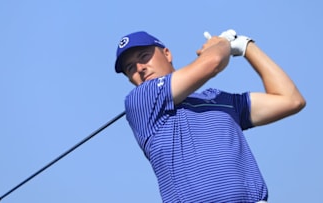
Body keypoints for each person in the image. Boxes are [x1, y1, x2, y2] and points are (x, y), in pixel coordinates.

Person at [114, 30, 305, 203]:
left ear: (167, 54)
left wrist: (246, 46)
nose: (139, 68)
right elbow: (212, 63)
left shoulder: (218, 99)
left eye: (144, 57)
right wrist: (222, 44)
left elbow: (290, 99)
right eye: (130, 68)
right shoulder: (140, 101)